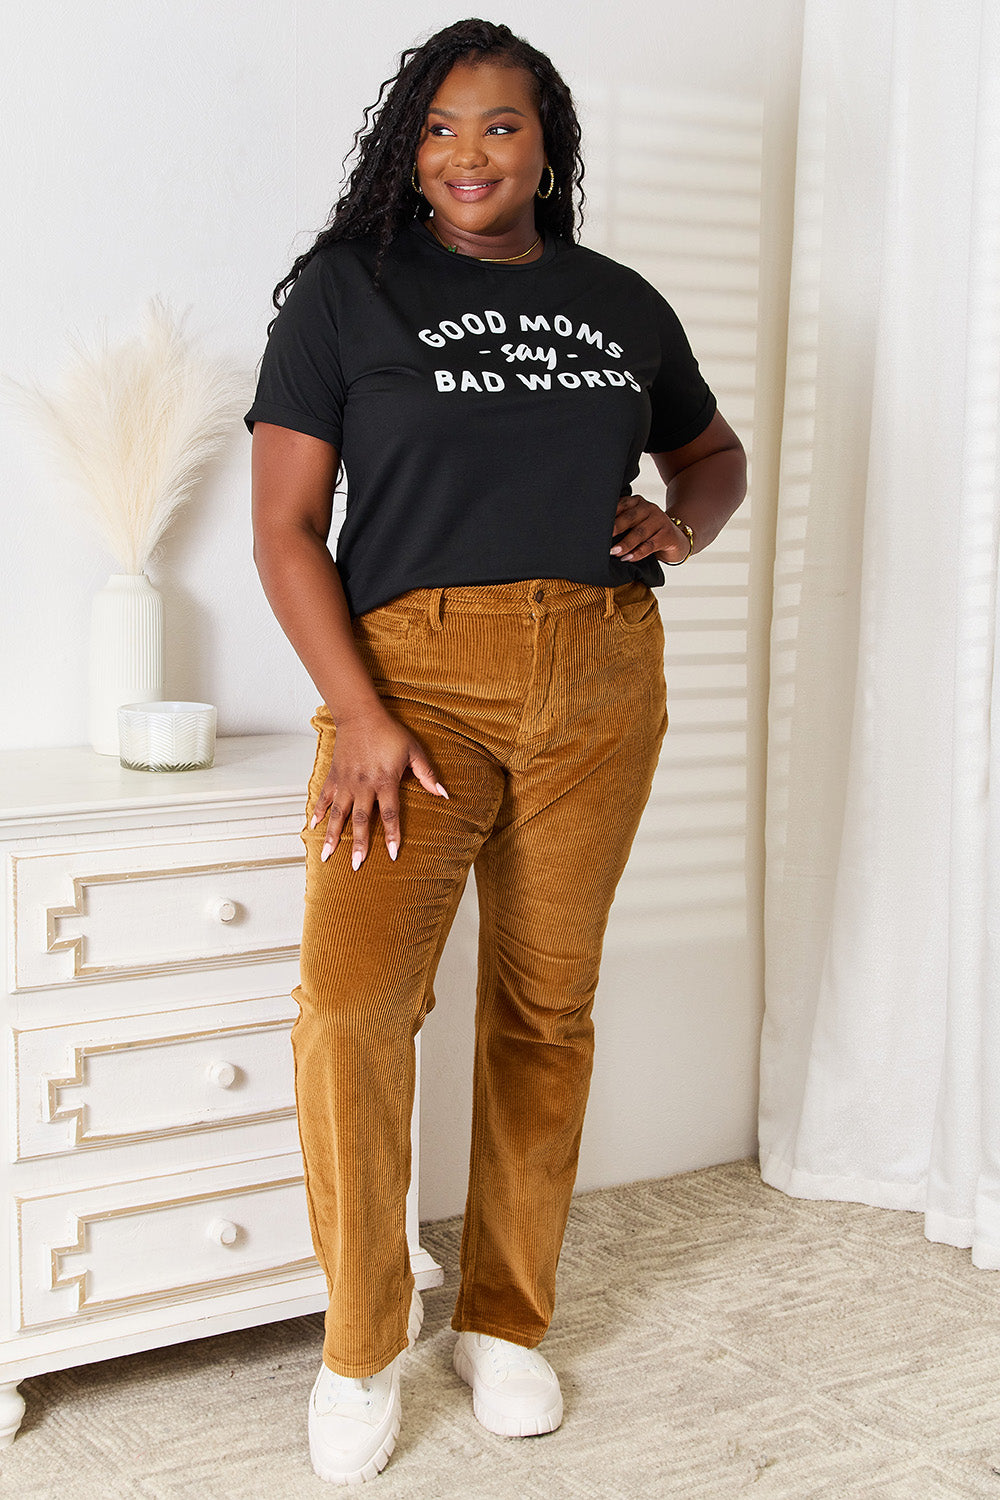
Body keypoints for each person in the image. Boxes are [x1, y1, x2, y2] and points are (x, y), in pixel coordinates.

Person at [246, 17, 746, 1485]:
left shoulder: (619, 299)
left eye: (503, 127)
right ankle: (361, 1343)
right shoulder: (348, 292)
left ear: (549, 145)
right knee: (352, 1011)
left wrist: (682, 524)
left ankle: (508, 1322)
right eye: (444, 126)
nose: (470, 154)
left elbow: (707, 454)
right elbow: (284, 531)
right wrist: (365, 716)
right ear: (411, 143)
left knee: (546, 1009)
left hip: (600, 676)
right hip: (415, 682)